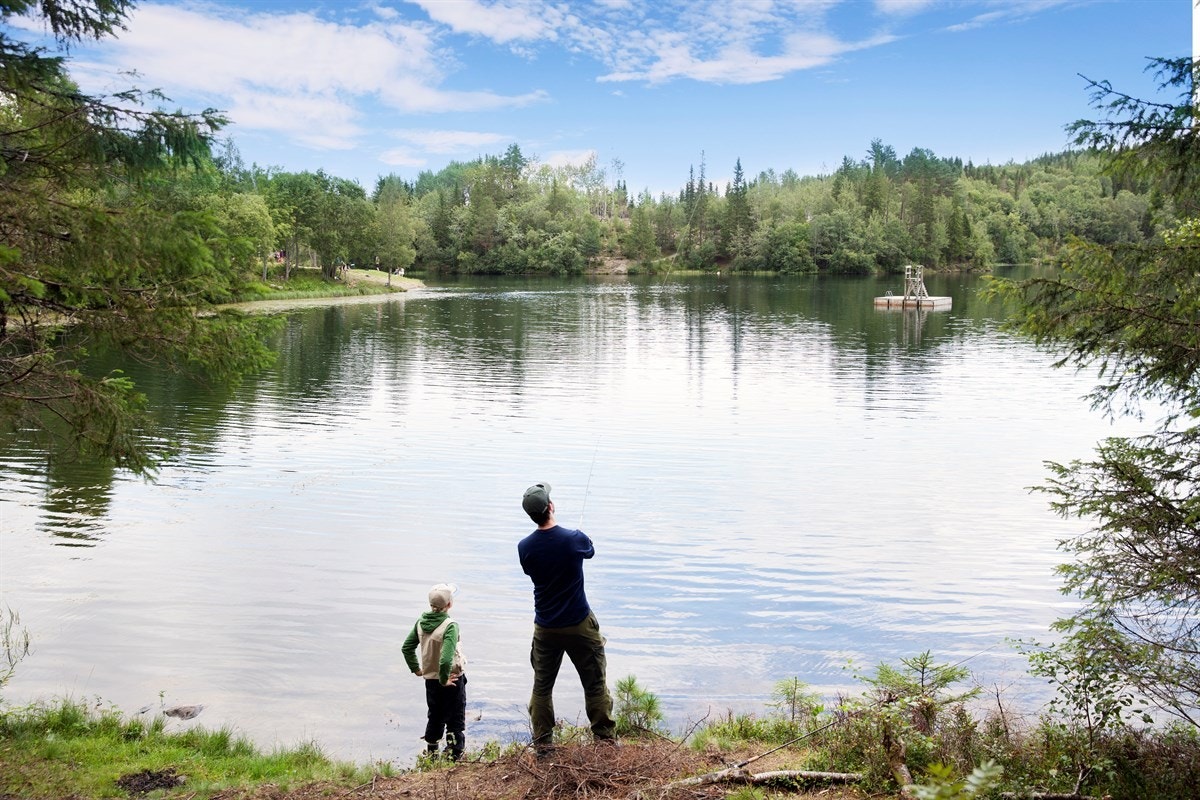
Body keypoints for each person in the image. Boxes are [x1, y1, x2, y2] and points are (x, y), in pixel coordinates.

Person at [517, 482, 616, 752]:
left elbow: (531, 569)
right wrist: (581, 538)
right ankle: (605, 741)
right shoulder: (574, 539)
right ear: (551, 507)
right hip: (579, 624)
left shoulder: (524, 547)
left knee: (542, 687)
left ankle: (543, 745)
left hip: (546, 627)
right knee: (594, 683)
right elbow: (590, 550)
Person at [401, 583, 468, 760]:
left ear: (431, 605)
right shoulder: (450, 625)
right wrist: (444, 679)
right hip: (451, 680)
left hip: (430, 680)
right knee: (455, 718)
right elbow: (446, 659)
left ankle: (432, 754)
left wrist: (416, 669)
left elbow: (407, 648)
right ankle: (454, 756)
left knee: (435, 715)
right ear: (449, 605)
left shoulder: (421, 623)